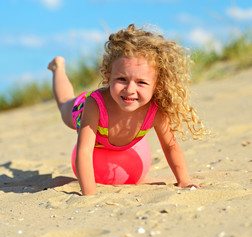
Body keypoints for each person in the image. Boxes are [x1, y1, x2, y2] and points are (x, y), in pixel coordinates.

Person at [48, 24, 205, 196]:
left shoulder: (156, 111)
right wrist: (89, 194)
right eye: (122, 79)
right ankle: (59, 68)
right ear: (109, 76)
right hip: (80, 111)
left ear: (157, 85)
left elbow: (170, 146)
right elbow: (84, 151)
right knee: (64, 103)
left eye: (141, 82)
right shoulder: (94, 105)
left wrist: (184, 180)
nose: (130, 89)